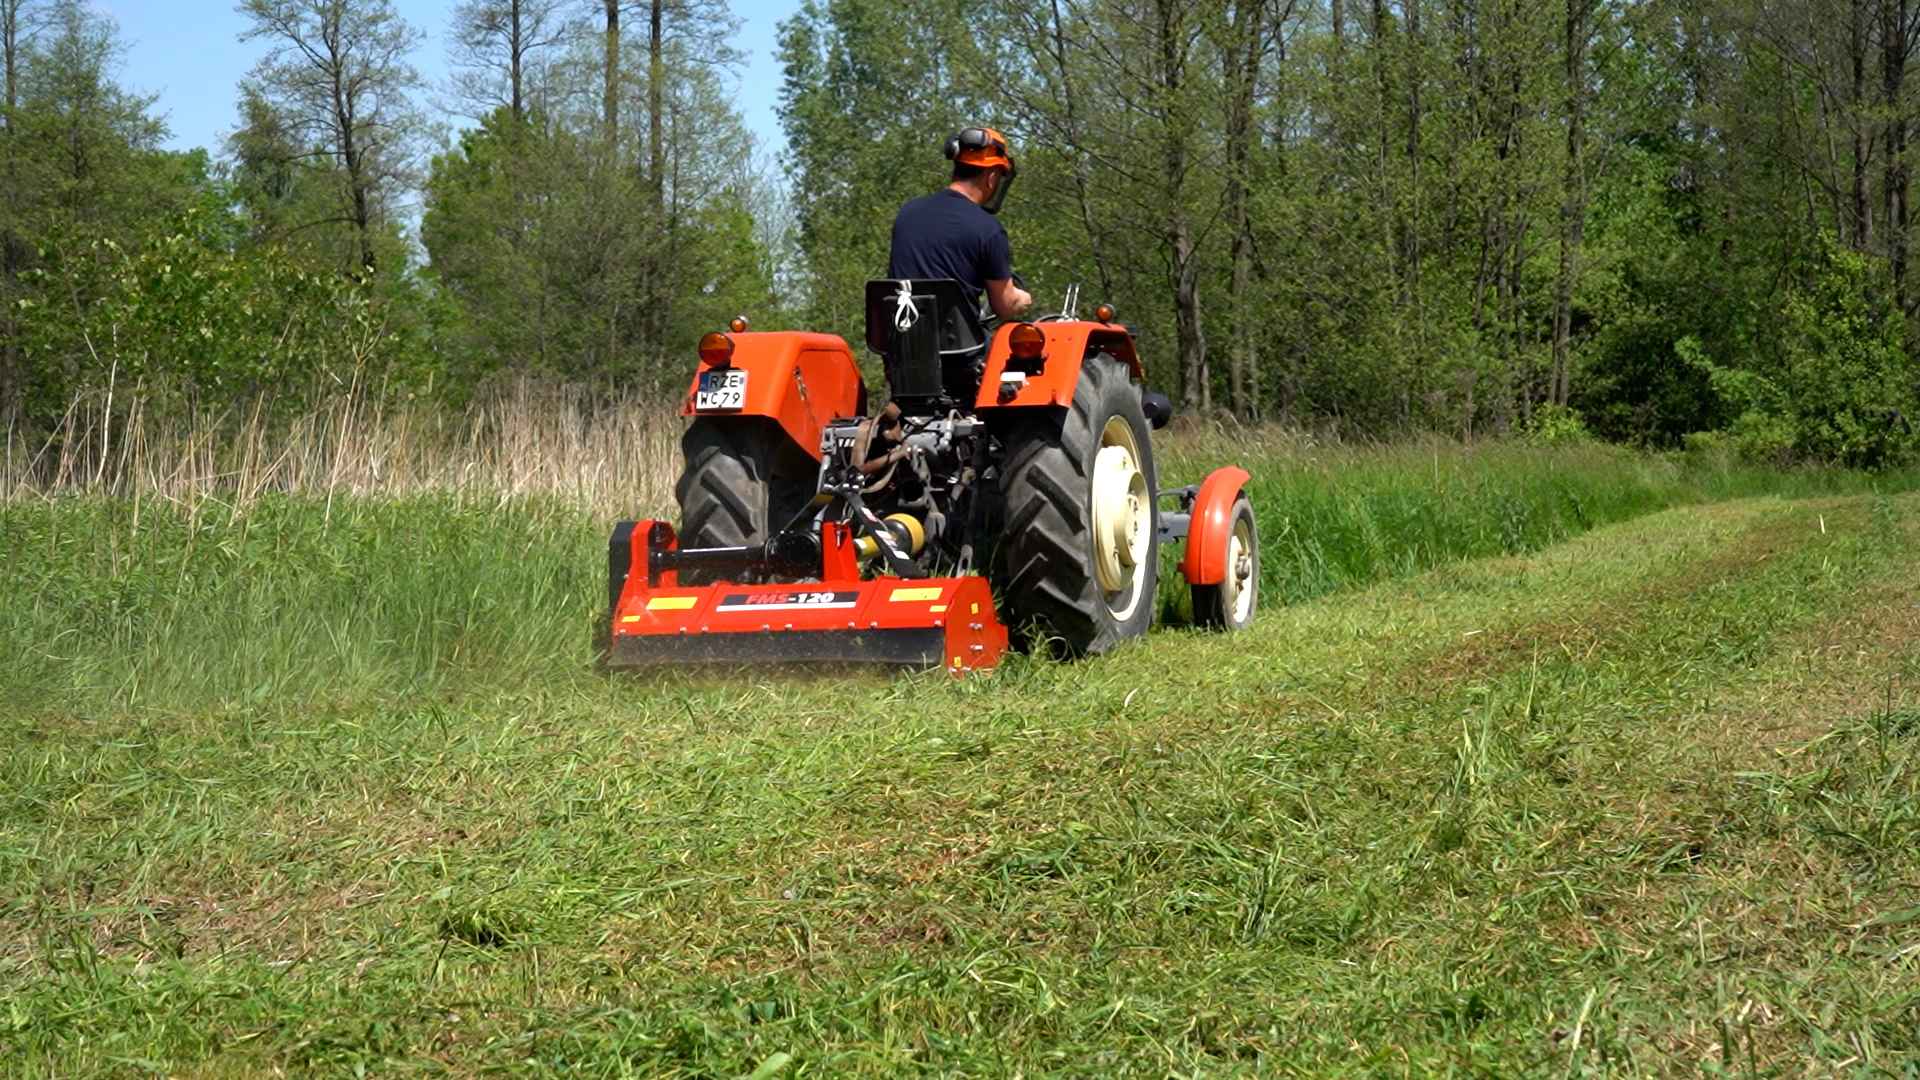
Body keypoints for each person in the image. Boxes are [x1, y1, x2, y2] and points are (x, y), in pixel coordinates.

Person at [887, 127, 1033, 323]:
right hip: (961, 351)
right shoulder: (988, 228)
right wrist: (1022, 298)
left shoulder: (907, 212)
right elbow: (1005, 306)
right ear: (991, 178)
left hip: (899, 346)